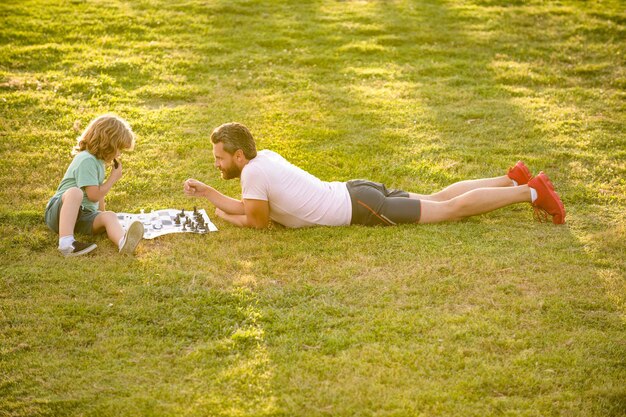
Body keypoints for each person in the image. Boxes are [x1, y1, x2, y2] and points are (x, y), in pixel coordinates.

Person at [183, 122, 566, 229]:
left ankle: (529, 193)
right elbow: (255, 207)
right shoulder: (262, 158)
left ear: (237, 155)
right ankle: (511, 179)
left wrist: (220, 210)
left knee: (449, 210)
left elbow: (256, 220)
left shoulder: (253, 176)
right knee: (435, 196)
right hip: (355, 190)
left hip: (361, 207)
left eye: (219, 159)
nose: (217, 165)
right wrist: (210, 193)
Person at [45, 114, 144, 257]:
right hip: (59, 215)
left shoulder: (98, 163)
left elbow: (98, 195)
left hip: (82, 217)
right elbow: (93, 195)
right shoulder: (86, 160)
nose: (119, 154)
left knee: (109, 215)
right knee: (75, 192)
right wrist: (112, 179)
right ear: (108, 143)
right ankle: (66, 243)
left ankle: (123, 242)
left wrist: (102, 217)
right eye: (119, 149)